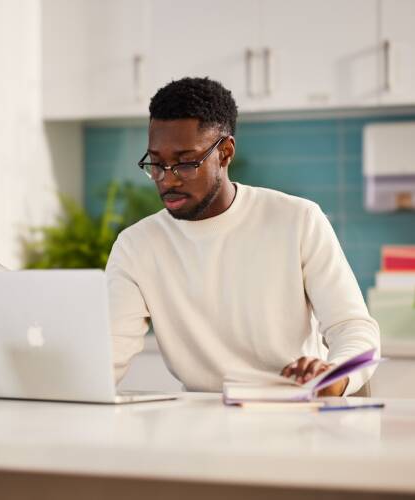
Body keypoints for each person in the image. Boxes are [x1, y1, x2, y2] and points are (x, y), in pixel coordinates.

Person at [107, 77, 380, 396]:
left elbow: (354, 328)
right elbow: (108, 352)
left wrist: (336, 376)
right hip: (200, 422)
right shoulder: (136, 246)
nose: (167, 180)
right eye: (157, 163)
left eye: (184, 163)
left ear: (225, 152)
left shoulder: (297, 219)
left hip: (297, 413)